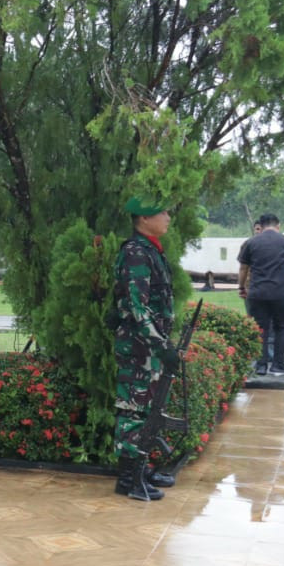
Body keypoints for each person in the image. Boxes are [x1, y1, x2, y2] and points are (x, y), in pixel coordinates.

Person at [111, 196, 178, 502]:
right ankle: (128, 478)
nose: (167, 216)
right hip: (140, 348)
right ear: (144, 219)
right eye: (161, 211)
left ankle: (140, 470)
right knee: (133, 411)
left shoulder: (150, 251)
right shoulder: (137, 252)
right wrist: (161, 345)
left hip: (148, 348)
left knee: (147, 411)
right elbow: (139, 308)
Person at [238, 212, 284, 375]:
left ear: (262, 226)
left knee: (260, 328)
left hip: (258, 292)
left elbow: (243, 268)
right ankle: (278, 364)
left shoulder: (251, 242)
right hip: (281, 292)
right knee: (282, 327)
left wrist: (241, 287)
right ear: (278, 226)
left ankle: (261, 364)